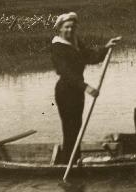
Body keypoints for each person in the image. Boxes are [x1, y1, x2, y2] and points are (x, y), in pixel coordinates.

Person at [51, 11, 121, 164]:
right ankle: (67, 163)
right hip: (65, 91)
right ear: (60, 29)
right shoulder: (57, 47)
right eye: (67, 27)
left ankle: (74, 160)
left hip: (77, 92)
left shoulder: (75, 43)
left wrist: (106, 48)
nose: (70, 30)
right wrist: (86, 87)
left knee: (77, 128)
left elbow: (89, 56)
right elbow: (66, 72)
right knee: (70, 130)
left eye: (73, 27)